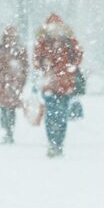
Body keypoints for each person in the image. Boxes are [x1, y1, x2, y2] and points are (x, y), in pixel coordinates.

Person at [33, 13, 83, 158]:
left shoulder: (68, 42)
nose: (55, 31)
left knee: (60, 117)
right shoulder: (43, 43)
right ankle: (53, 143)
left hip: (64, 86)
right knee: (51, 117)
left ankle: (58, 143)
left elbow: (78, 57)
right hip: (51, 86)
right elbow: (36, 62)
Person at [0, 25, 28, 144]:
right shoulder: (0, 50)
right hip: (3, 84)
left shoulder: (19, 51)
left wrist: (20, 81)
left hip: (13, 85)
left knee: (11, 110)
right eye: (8, 37)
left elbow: (25, 68)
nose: (10, 40)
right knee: (3, 110)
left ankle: (9, 133)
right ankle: (6, 132)